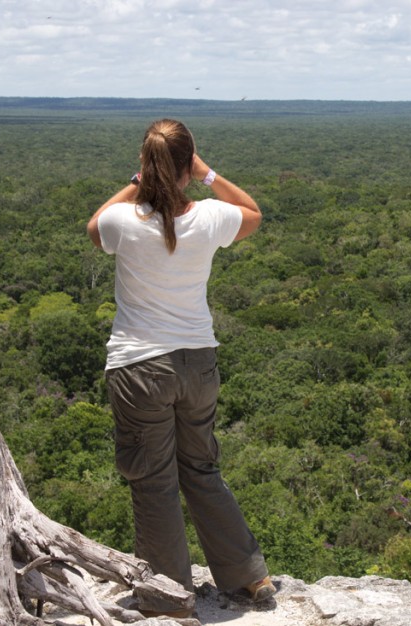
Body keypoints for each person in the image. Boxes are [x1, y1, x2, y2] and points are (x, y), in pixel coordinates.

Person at [86, 119, 274, 618]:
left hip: (140, 367)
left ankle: (169, 596)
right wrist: (207, 174)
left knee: (153, 481)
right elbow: (253, 212)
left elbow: (93, 225)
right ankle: (249, 578)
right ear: (188, 165)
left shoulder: (125, 222)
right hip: (197, 363)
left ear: (147, 167)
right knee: (202, 469)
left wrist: (139, 179)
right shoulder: (211, 217)